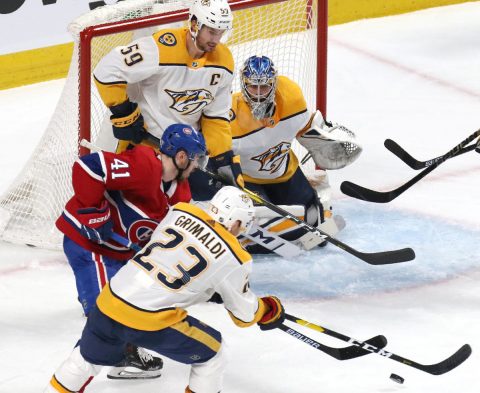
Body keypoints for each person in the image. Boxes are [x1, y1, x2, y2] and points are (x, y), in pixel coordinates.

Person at [44, 186, 285, 393]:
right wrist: (267, 310)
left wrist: (206, 288)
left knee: (85, 359)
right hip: (148, 319)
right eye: (242, 224)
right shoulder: (236, 255)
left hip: (109, 300)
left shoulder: (180, 210)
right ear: (235, 222)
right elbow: (244, 315)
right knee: (214, 354)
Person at [56, 123, 207, 379]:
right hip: (88, 243)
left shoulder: (181, 192)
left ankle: (120, 351)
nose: (196, 167)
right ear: (181, 157)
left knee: (129, 301)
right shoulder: (143, 165)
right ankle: (87, 370)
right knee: (106, 312)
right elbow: (89, 167)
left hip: (118, 252)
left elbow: (176, 231)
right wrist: (93, 212)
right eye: (195, 160)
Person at [93, 0, 244, 190]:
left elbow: (216, 116)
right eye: (211, 31)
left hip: (184, 158)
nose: (216, 39)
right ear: (195, 24)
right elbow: (106, 70)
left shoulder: (224, 62)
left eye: (220, 32)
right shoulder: (162, 48)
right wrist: (124, 114)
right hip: (144, 148)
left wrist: (223, 157)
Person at [230, 55, 362, 252]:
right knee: (258, 222)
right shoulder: (230, 112)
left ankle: (271, 236)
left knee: (312, 217)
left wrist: (328, 139)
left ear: (274, 84)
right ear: (243, 84)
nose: (258, 94)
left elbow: (306, 129)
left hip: (285, 173)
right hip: (249, 180)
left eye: (264, 87)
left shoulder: (291, 97)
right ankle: (256, 238)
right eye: (253, 87)